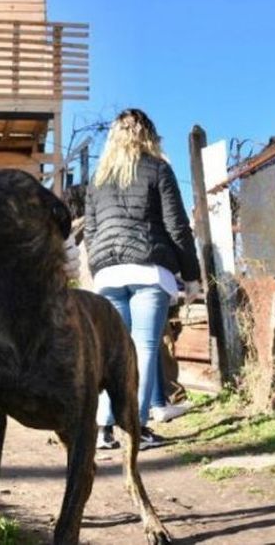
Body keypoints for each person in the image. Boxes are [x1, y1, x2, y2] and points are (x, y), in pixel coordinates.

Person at [84, 108, 201, 451]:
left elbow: (91, 231)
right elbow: (176, 226)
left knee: (111, 352)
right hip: (149, 269)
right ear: (149, 136)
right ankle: (135, 428)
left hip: (107, 273)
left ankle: (104, 429)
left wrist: (98, 269)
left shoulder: (98, 178)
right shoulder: (157, 168)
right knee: (144, 348)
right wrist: (191, 277)